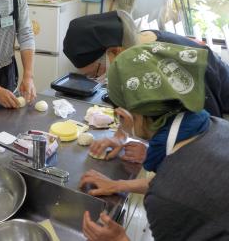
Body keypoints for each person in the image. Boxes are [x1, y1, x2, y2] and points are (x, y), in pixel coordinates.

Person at [80, 42, 229, 241]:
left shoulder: (166, 200)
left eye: (120, 117)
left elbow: (174, 192)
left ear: (132, 116)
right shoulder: (215, 126)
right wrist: (118, 185)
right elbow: (180, 185)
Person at [64, 10, 229, 162]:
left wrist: (154, 154)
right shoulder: (128, 52)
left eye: (95, 73)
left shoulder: (163, 62)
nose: (95, 79)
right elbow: (128, 105)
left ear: (114, 52)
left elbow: (203, 137)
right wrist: (120, 136)